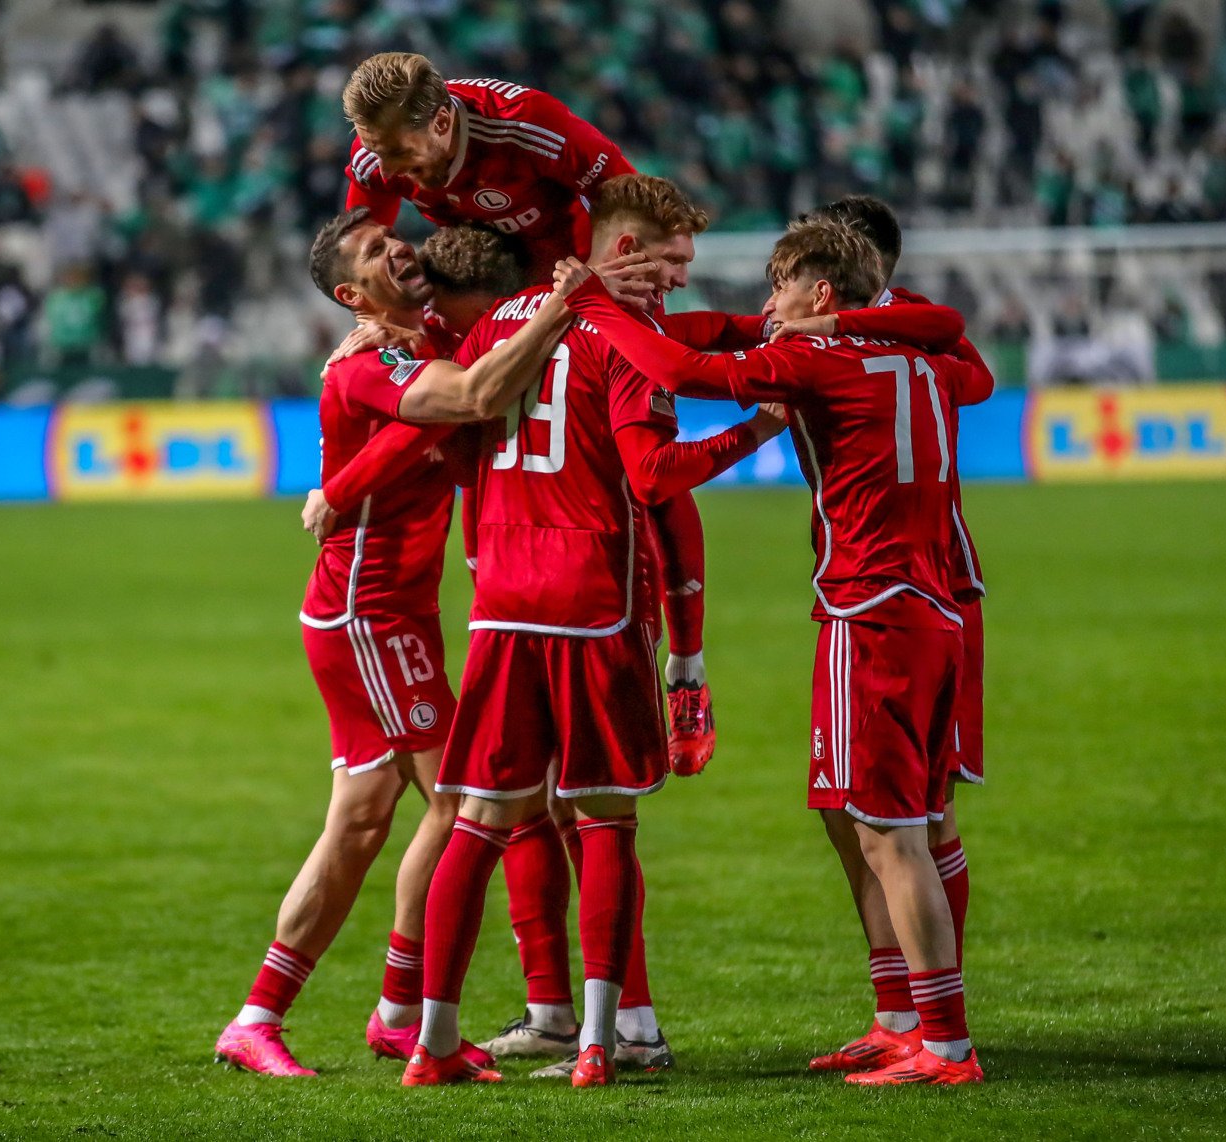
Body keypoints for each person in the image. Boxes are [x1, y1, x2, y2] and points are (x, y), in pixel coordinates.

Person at [561, 217, 988, 1085]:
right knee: (872, 819)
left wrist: (592, 307)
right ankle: (904, 1017)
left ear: (821, 293)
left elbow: (684, 371)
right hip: (937, 605)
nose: (768, 306)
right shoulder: (927, 360)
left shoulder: (815, 358)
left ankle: (943, 1042)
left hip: (869, 605)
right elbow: (955, 342)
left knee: (889, 831)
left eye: (780, 288)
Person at [384, 196, 791, 1091]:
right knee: (607, 821)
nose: (680, 277)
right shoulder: (627, 338)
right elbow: (653, 475)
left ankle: (432, 1043)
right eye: (675, 259)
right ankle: (604, 1042)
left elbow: (454, 416)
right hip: (590, 604)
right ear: (629, 249)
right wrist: (757, 432)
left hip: (498, 601)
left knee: (479, 823)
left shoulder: (498, 316)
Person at [213, 206, 621, 1078]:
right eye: (375, 250)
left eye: (394, 235)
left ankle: (259, 1017)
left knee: (361, 824)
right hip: (372, 616)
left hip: (381, 614)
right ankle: (402, 1010)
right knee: (466, 801)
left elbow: (448, 380)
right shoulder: (367, 365)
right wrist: (556, 310)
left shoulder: (411, 341)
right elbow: (472, 396)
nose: (400, 247)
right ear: (353, 293)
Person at [340, 51, 719, 776]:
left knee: (648, 471)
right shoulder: (373, 156)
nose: (388, 166)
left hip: (591, 283)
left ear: (445, 120)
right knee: (462, 427)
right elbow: (358, 246)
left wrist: (619, 285)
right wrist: (377, 315)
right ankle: (510, 611)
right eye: (377, 151)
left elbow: (634, 201)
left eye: (398, 150)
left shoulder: (530, 128)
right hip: (495, 294)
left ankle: (687, 668)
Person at [799, 196, 992, 1076]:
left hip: (925, 588)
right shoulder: (854, 343)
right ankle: (897, 1014)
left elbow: (977, 372)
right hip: (866, 585)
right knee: (851, 815)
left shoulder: (903, 334)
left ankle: (937, 1024)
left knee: (917, 815)